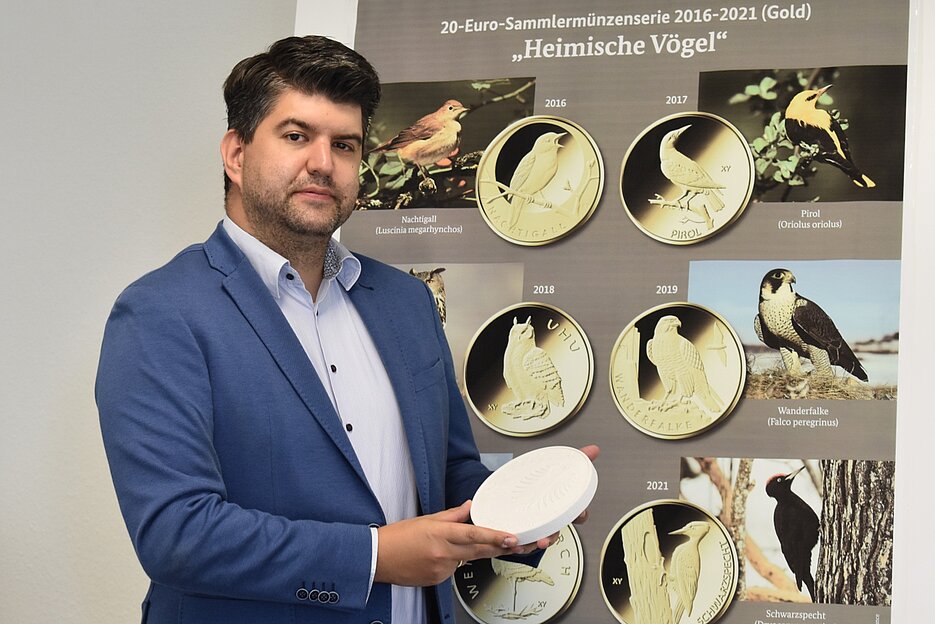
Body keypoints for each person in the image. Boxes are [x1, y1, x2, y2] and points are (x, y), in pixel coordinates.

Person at [96, 35, 597, 624]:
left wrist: (521, 505)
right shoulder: (161, 312)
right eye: (296, 136)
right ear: (235, 154)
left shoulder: (407, 301)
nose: (322, 163)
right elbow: (176, 535)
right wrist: (374, 557)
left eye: (344, 144)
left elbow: (449, 472)